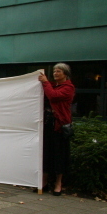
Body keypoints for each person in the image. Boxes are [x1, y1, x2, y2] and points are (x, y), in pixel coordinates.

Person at [39, 63, 75, 196]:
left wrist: (46, 82)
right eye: (54, 71)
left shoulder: (68, 88)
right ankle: (44, 181)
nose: (55, 73)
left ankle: (58, 184)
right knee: (46, 153)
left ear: (65, 74)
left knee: (59, 156)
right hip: (47, 125)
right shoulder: (51, 85)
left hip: (59, 127)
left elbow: (53, 96)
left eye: (58, 71)